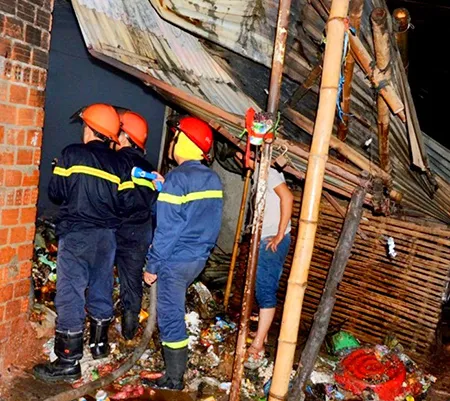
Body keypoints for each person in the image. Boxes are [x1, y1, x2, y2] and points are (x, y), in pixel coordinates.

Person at [33, 103, 133, 383]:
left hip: (77, 234)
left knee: (70, 293)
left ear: (90, 128)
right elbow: (126, 203)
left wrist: (62, 171)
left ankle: (67, 361)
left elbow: (56, 193)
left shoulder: (72, 154)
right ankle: (99, 346)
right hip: (107, 238)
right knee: (101, 286)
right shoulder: (122, 164)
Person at [143, 116, 223, 390]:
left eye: (176, 137)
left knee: (170, 315)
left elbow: (167, 229)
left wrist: (152, 265)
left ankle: (174, 378)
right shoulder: (212, 178)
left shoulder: (178, 178)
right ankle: (173, 371)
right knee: (173, 310)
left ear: (183, 142)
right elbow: (195, 214)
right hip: (197, 258)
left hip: (175, 259)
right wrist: (165, 188)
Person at [238, 154, 294, 368]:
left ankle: (258, 344)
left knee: (265, 290)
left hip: (271, 238)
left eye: (240, 153)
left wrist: (279, 234)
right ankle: (264, 333)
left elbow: (287, 197)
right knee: (261, 286)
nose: (238, 157)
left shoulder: (268, 172)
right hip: (266, 237)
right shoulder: (260, 173)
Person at [114, 109, 159, 340]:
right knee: (132, 282)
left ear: (125, 137)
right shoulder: (150, 168)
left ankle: (96, 330)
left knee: (98, 276)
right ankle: (129, 334)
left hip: (114, 228)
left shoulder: (114, 162)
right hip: (140, 232)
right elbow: (156, 205)